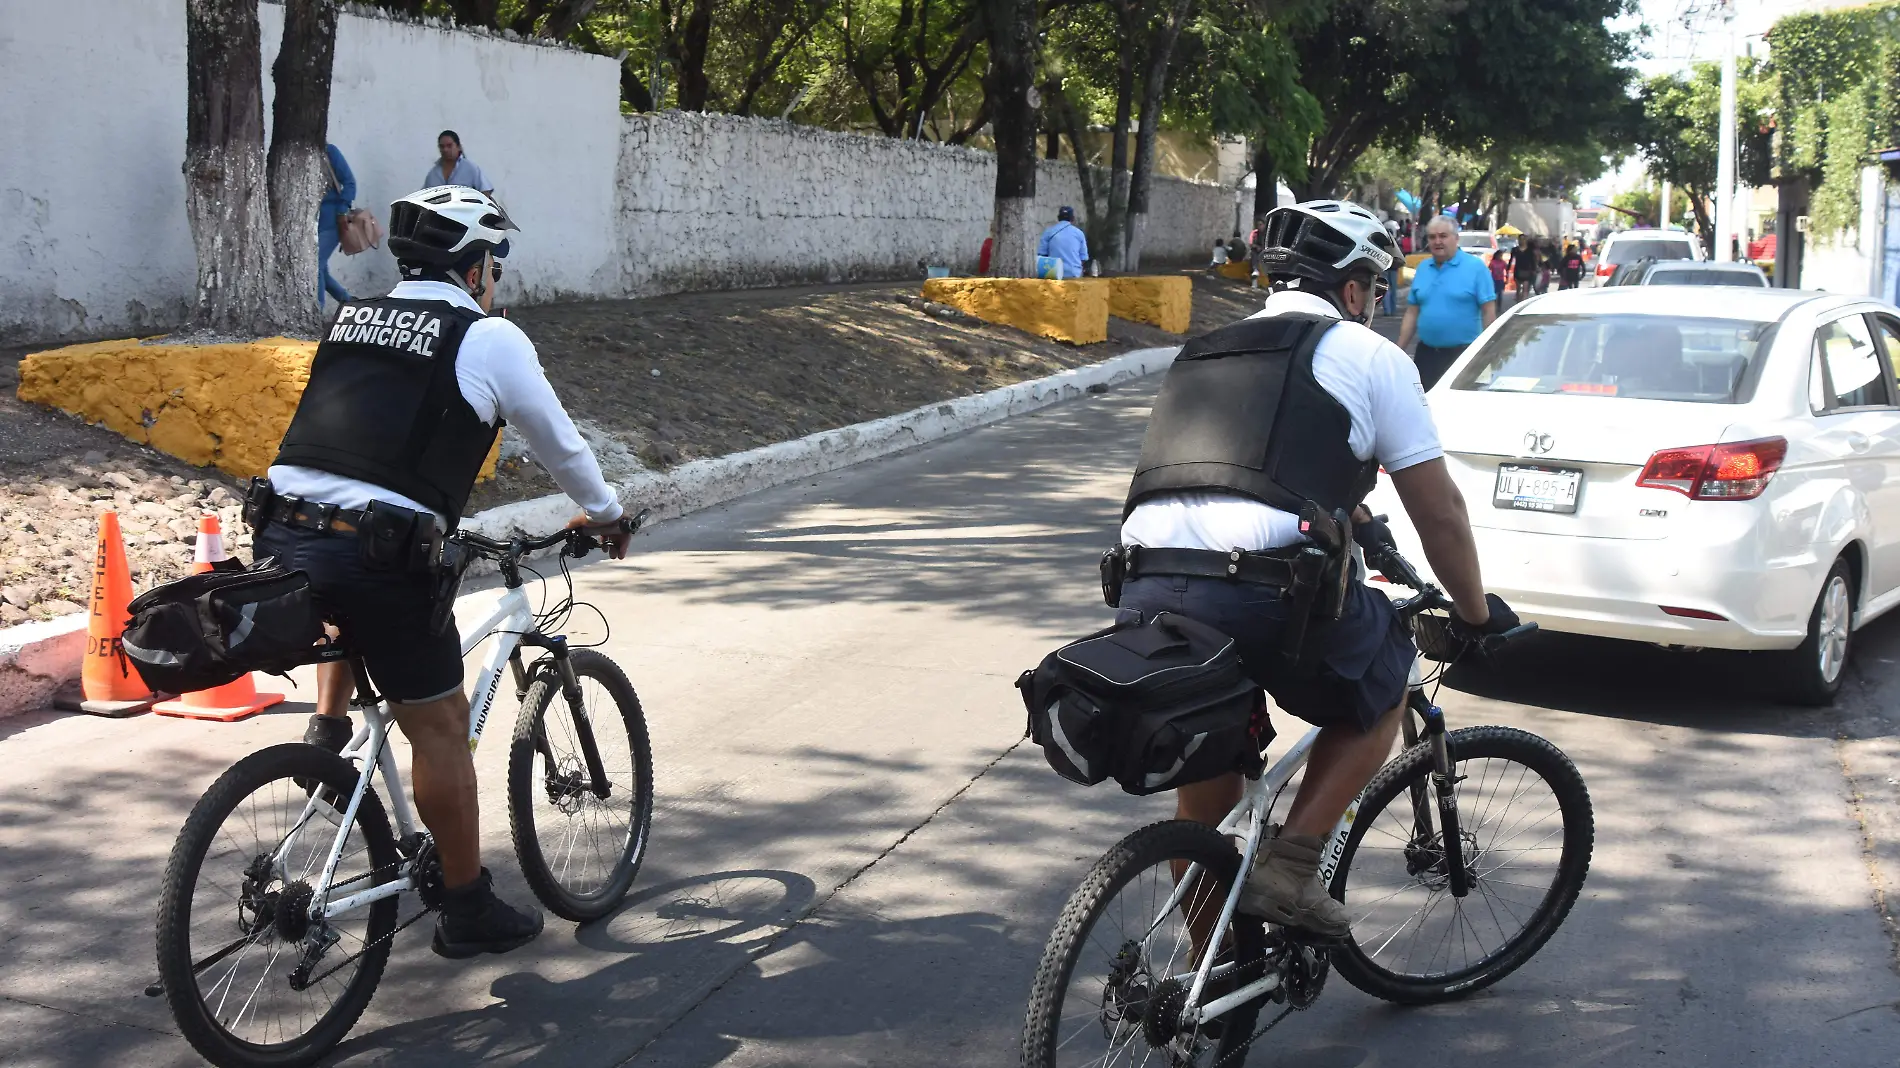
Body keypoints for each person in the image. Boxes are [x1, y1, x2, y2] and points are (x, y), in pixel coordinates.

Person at [1117, 198, 1517, 938]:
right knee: (1387, 676)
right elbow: (1441, 514)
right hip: (1261, 590)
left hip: (1146, 584)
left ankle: (1201, 998)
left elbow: (1255, 469)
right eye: (1374, 289)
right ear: (1357, 290)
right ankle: (1293, 866)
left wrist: (1361, 524)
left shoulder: (1208, 349)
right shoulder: (1371, 357)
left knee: (1207, 795)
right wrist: (1473, 613)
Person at [260, 186, 631, 959]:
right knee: (439, 728)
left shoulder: (354, 318)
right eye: (491, 264)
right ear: (473, 268)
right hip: (379, 556)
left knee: (345, 598)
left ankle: (328, 733)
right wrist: (605, 513)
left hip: (283, 534)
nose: (493, 279)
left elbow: (355, 453)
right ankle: (467, 907)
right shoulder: (486, 336)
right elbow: (560, 446)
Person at [1397, 216, 1497, 389]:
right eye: (1432, 237)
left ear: (1456, 238)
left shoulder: (1476, 267)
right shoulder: (1422, 268)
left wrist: (1489, 352)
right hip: (1426, 355)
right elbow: (1412, 312)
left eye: (1443, 236)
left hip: (1463, 356)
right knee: (1425, 407)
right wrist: (1398, 351)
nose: (1437, 241)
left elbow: (1488, 311)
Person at [319, 143, 356, 310]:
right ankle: (349, 303)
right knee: (321, 271)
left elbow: (349, 182)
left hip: (331, 220)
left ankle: (317, 311)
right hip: (310, 223)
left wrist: (342, 210)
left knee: (315, 267)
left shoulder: (329, 151)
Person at [425, 130, 493, 194]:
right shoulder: (433, 173)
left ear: (458, 147)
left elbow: (485, 190)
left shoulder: (470, 168)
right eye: (442, 147)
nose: (445, 150)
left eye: (449, 146)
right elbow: (422, 197)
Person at [1036, 206, 1089, 279]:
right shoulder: (1079, 233)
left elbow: (1042, 255)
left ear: (1058, 218)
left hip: (1053, 275)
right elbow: (1083, 258)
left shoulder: (1048, 232)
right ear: (1072, 218)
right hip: (1073, 274)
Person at [1511, 237, 1540, 308]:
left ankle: (1522, 305)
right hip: (1517, 270)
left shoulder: (1530, 251)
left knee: (1525, 288)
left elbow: (1532, 261)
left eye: (1523, 239)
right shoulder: (1515, 250)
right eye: (1520, 239)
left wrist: (1534, 269)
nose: (1522, 241)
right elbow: (1511, 259)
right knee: (1518, 289)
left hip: (1527, 270)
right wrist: (1508, 268)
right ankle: (1518, 303)